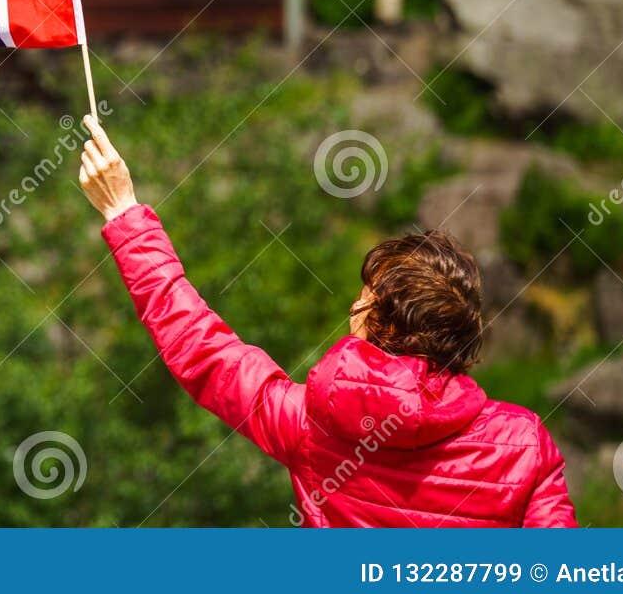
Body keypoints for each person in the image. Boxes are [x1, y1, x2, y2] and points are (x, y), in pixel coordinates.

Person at [76, 115, 577, 528]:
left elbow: (202, 350)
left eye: (363, 299)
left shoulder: (314, 427)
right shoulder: (525, 443)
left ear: (378, 321)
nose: (352, 308)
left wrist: (124, 211)